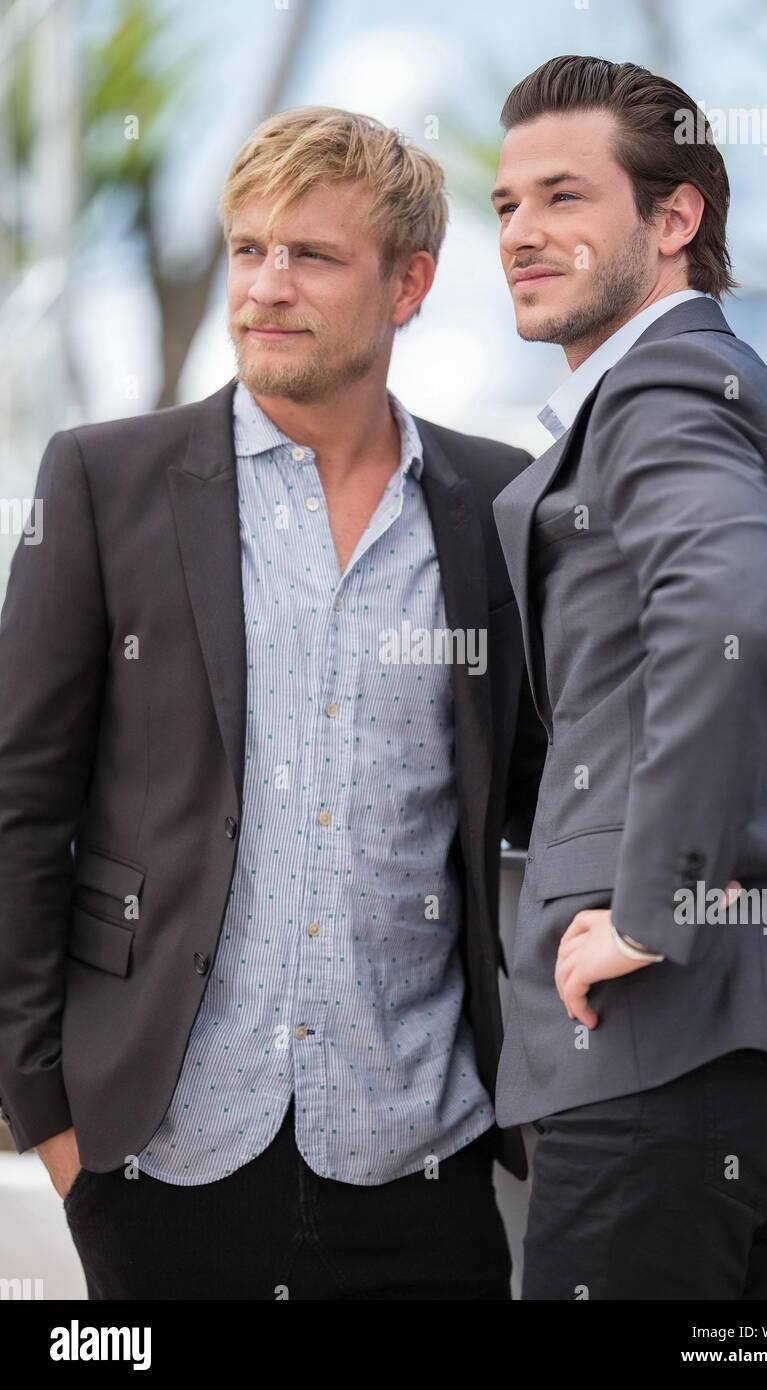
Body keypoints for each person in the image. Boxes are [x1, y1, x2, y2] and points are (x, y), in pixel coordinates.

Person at [0, 105, 547, 1300]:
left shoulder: (494, 506)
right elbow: (18, 810)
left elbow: (543, 793)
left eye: (311, 254)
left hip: (423, 1162)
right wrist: (56, 1130)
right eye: (248, 249)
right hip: (157, 1164)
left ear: (407, 284)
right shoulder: (103, 480)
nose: (265, 286)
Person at [489, 54, 767, 1300]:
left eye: (561, 197)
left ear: (672, 218)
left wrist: (653, 907)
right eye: (503, 206)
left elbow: (724, 618)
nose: (522, 235)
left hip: (655, 1046)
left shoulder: (656, 387)